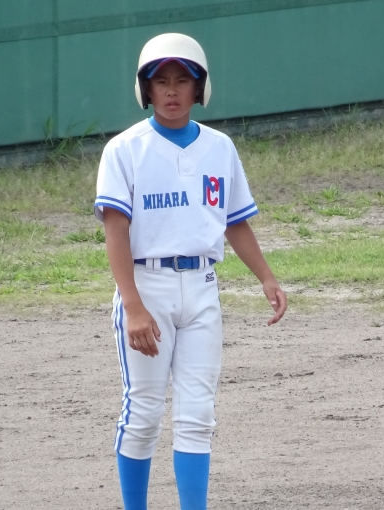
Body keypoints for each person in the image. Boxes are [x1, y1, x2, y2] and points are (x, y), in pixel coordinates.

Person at [94, 32, 287, 510]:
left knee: (197, 417)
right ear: (146, 89)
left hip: (202, 288)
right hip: (147, 287)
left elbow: (233, 221)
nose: (172, 90)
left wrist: (266, 276)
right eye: (161, 81)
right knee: (143, 413)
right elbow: (116, 232)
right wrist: (133, 306)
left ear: (200, 88)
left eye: (183, 80)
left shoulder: (220, 148)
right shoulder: (125, 149)